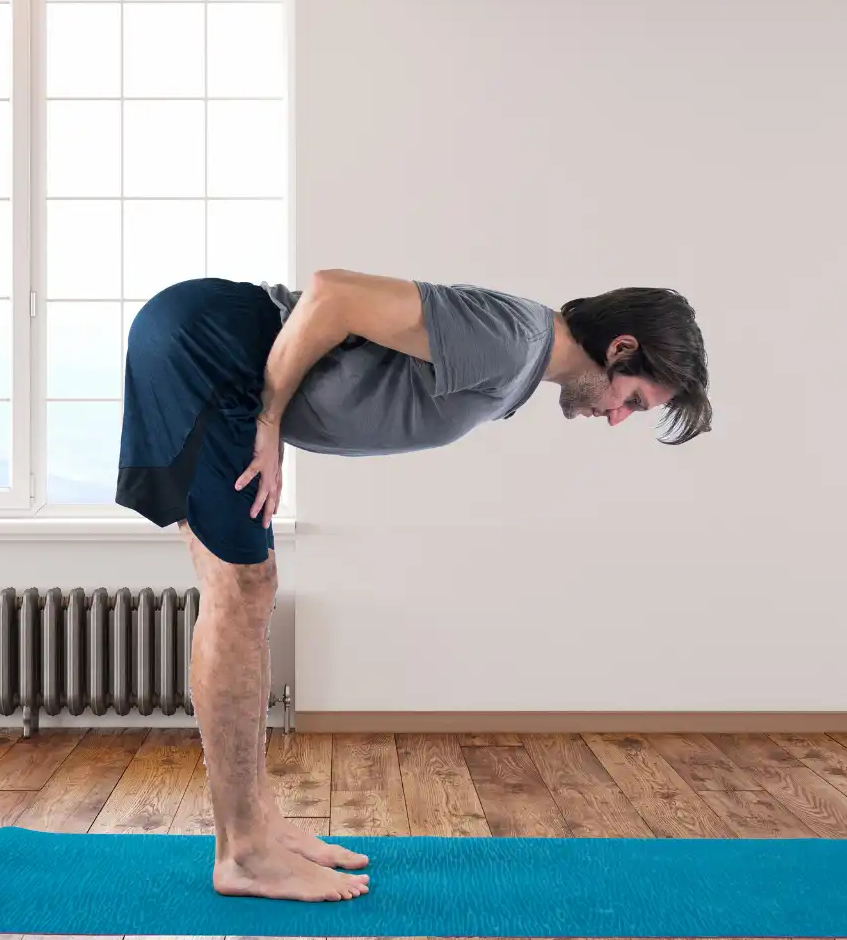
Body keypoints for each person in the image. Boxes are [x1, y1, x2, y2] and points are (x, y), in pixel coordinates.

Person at [116, 270, 712, 902]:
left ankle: (258, 826)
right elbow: (330, 294)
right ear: (621, 349)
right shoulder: (517, 338)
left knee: (245, 593)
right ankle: (244, 853)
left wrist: (273, 421)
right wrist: (267, 420)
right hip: (208, 345)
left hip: (215, 347)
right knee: (240, 593)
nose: (618, 418)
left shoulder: (521, 357)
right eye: (635, 400)